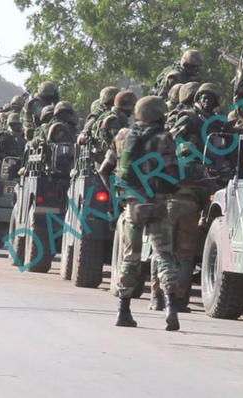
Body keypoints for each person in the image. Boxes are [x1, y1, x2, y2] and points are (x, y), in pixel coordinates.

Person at [97, 95, 213, 331]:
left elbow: (104, 169)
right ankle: (170, 307)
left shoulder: (121, 135)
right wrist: (200, 183)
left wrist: (118, 194)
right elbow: (171, 174)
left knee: (130, 258)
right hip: (158, 205)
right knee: (165, 257)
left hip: (132, 206)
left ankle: (123, 311)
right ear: (158, 115)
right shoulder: (164, 138)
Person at [149, 141, 212, 313]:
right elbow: (207, 193)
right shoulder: (199, 168)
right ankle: (179, 300)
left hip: (166, 207)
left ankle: (157, 298)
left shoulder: (168, 166)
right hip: (189, 208)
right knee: (185, 257)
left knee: (160, 253)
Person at [88, 90, 137, 166]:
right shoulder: (115, 119)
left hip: (103, 160)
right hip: (108, 162)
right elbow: (118, 144)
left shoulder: (108, 115)